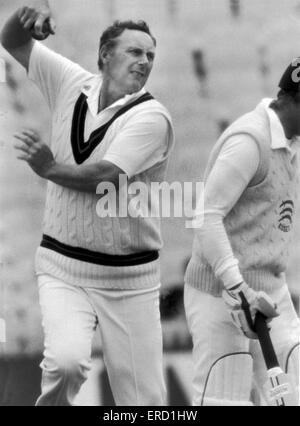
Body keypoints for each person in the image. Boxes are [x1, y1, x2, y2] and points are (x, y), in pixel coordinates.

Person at [1, 1, 174, 406]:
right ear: (104, 55)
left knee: (145, 404)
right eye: (134, 51)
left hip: (129, 280)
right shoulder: (69, 81)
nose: (145, 61)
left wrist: (48, 168)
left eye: (150, 55)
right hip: (64, 266)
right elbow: (10, 40)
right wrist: (26, 16)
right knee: (65, 364)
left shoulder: (153, 118)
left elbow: (105, 176)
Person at [184, 59, 300, 406]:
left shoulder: (290, 141)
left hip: (270, 293)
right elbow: (205, 216)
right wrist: (237, 287)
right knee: (225, 401)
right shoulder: (250, 140)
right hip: (221, 294)